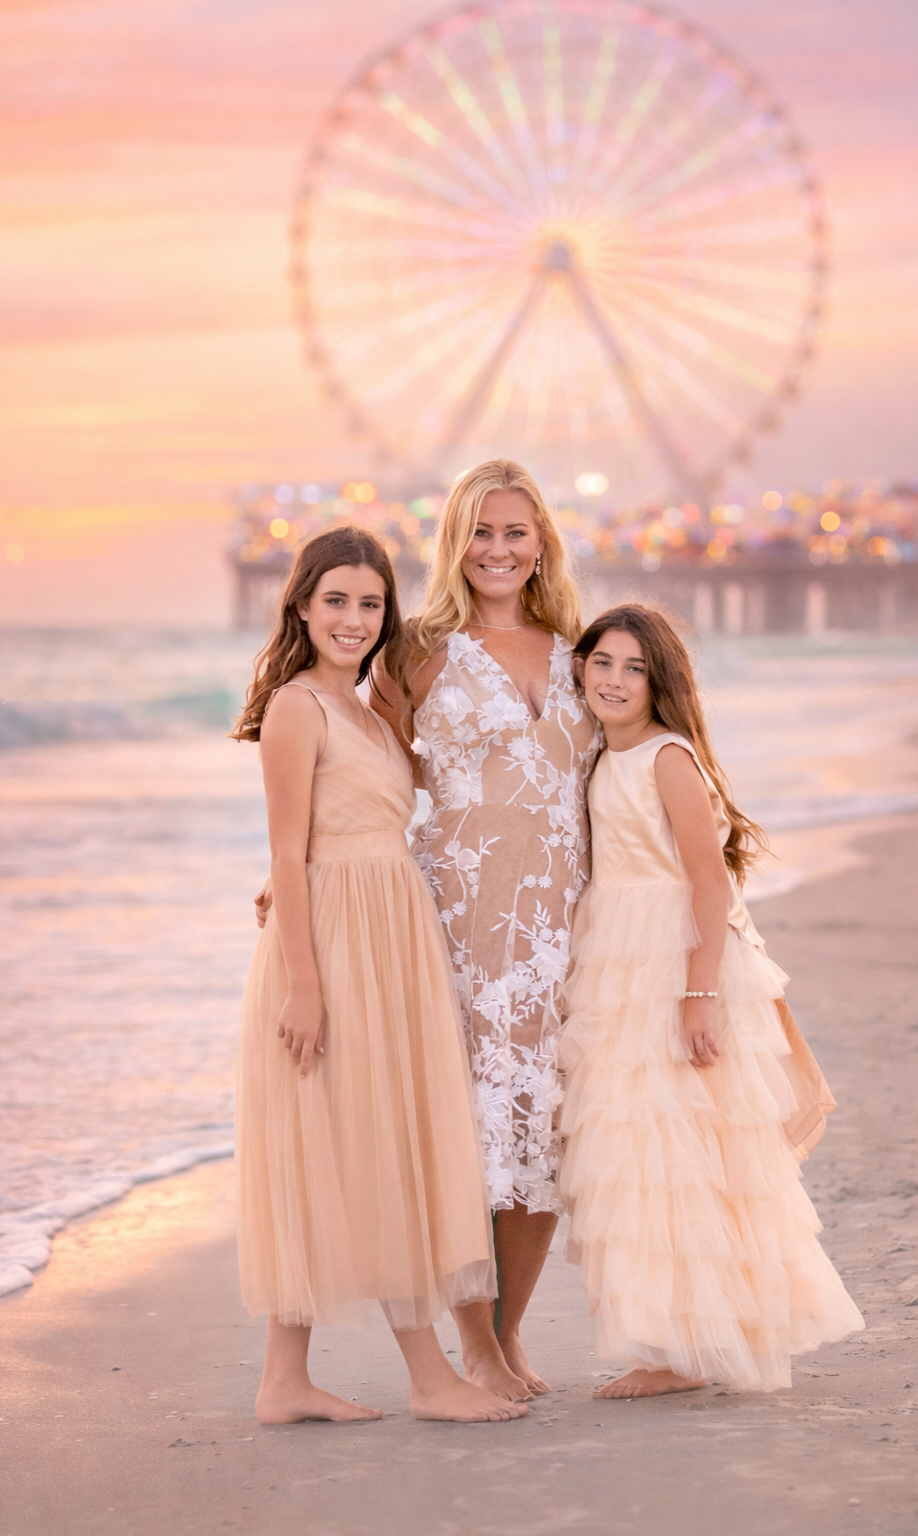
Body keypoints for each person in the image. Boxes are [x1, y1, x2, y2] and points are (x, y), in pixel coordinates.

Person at [232, 526, 528, 1425]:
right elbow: (288, 849)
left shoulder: (365, 709)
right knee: (369, 1139)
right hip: (331, 949)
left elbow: (335, 828)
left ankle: (285, 1382)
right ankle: (430, 1376)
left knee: (342, 1137)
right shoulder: (297, 708)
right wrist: (304, 984)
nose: (354, 620)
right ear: (302, 606)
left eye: (369, 603)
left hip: (388, 930)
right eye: (336, 602)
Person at [559, 604, 864, 1398]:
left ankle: (686, 1348)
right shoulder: (598, 754)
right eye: (603, 662)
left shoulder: (667, 758)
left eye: (635, 668)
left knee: (682, 1147)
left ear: (660, 683)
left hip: (673, 957)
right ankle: (676, 1338)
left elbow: (709, 880)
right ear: (581, 667)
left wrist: (696, 995)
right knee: (636, 1146)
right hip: (616, 955)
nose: (616, 680)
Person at [373, 459, 601, 1398]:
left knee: (545, 1133)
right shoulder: (418, 650)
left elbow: (619, 780)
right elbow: (372, 778)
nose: (497, 550)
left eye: (514, 531)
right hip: (459, 919)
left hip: (565, 918)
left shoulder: (583, 649)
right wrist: (295, 869)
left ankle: (507, 1339)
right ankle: (474, 1346)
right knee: (471, 1130)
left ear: (541, 539)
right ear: (453, 543)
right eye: (480, 532)